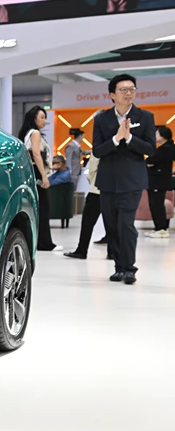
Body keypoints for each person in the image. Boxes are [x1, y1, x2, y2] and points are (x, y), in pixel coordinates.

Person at [92, 74, 156, 285]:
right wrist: (116, 138)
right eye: (123, 90)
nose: (128, 93)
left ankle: (129, 268)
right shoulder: (101, 119)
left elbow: (150, 149)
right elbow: (97, 150)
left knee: (125, 225)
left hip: (132, 180)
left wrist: (129, 138)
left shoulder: (145, 117)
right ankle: (119, 267)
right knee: (111, 226)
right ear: (112, 95)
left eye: (132, 89)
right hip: (108, 180)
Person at [19, 106, 55, 251]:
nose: (44, 121)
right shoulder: (35, 133)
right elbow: (36, 154)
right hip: (37, 172)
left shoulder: (27, 134)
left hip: (31, 172)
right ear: (34, 119)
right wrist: (44, 176)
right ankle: (44, 243)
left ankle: (39, 241)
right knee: (43, 208)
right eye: (42, 117)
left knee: (37, 208)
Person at [64, 152, 110, 260]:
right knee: (112, 222)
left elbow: (93, 164)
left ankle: (82, 250)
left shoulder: (100, 145)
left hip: (97, 189)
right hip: (112, 190)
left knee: (87, 222)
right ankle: (113, 252)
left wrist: (91, 179)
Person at [146, 125, 175, 238]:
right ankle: (159, 228)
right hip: (158, 180)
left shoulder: (165, 149)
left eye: (156, 133)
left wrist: (149, 163)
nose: (155, 136)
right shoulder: (168, 147)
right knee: (156, 204)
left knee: (156, 205)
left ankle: (161, 229)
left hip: (158, 181)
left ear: (163, 135)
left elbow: (150, 161)